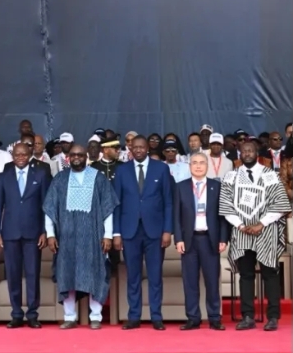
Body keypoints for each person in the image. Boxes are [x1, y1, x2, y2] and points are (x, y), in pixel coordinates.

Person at [43, 145, 118, 330]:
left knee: (95, 272)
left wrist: (108, 235)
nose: (76, 157)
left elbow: (108, 209)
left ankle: (96, 317)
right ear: (68, 157)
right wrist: (50, 234)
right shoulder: (60, 179)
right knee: (66, 274)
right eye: (73, 155)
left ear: (86, 157)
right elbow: (49, 209)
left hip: (93, 237)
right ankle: (69, 316)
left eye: (80, 155)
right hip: (66, 238)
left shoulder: (99, 178)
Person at [219, 141, 290, 331]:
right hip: (242, 232)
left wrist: (261, 223)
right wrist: (241, 225)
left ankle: (273, 317)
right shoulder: (231, 176)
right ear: (239, 154)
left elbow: (280, 203)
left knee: (270, 274)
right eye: (244, 151)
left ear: (257, 152)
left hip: (266, 230)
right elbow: (225, 205)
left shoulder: (270, 175)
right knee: (246, 275)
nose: (247, 153)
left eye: (251, 150)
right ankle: (248, 316)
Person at [112, 135, 173, 330]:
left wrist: (167, 230)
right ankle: (134, 316)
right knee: (133, 277)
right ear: (130, 149)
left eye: (142, 147)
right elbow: (116, 204)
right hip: (130, 231)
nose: (138, 150)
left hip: (155, 231)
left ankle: (156, 316)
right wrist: (116, 233)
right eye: (135, 147)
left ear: (148, 148)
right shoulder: (122, 170)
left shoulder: (161, 169)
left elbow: (168, 202)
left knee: (155, 276)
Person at [0, 143, 50, 329]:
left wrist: (45, 231)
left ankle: (32, 314)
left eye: (24, 154)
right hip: (10, 233)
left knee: (33, 274)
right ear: (12, 156)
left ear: (30, 154)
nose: (21, 158)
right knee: (13, 274)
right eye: (17, 155)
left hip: (34, 233)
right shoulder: (4, 176)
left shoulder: (40, 174)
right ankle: (16, 314)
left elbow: (46, 205)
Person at [173, 153, 228, 330]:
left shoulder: (216, 186)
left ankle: (214, 317)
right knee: (190, 282)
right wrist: (178, 239)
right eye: (194, 163)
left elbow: (222, 216)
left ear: (207, 166)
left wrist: (223, 238)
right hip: (189, 240)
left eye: (201, 163)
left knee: (212, 281)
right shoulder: (180, 187)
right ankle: (193, 317)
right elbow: (176, 217)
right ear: (189, 166)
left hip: (210, 240)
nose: (198, 166)